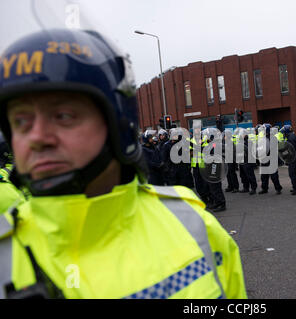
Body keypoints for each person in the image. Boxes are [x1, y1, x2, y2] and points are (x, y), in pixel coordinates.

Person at [0, 28, 246, 299]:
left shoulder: (192, 222)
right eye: (20, 121)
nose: (36, 138)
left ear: (119, 125)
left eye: (63, 115)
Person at [258, 124, 282, 195]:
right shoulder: (263, 138)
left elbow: (275, 148)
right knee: (264, 176)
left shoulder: (273, 138)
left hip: (272, 159)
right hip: (264, 159)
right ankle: (264, 189)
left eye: (264, 130)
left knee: (274, 176)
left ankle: (278, 189)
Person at [279, 125, 296, 195]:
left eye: (284, 132)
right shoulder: (292, 136)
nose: (283, 134)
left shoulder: (290, 138)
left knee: (293, 174)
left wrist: (286, 157)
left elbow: (291, 150)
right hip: (295, 158)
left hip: (293, 158)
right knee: (295, 174)